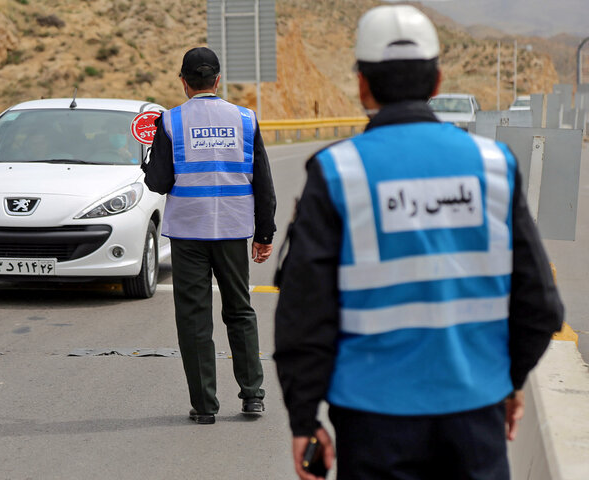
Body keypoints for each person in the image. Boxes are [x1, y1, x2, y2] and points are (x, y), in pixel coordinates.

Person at [274, 5, 564, 480]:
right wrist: (505, 383)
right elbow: (541, 307)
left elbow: (305, 312)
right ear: (437, 83)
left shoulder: (336, 172)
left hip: (372, 427)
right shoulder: (494, 166)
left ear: (363, 84)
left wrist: (304, 419)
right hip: (475, 418)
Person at [142, 47, 276, 425]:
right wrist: (263, 232)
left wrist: (146, 157)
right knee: (240, 311)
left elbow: (159, 182)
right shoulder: (246, 119)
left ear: (184, 82)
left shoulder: (170, 121)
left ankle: (204, 406)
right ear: (218, 80)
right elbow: (263, 180)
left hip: (189, 234)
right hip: (234, 231)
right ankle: (252, 397)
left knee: (193, 318)